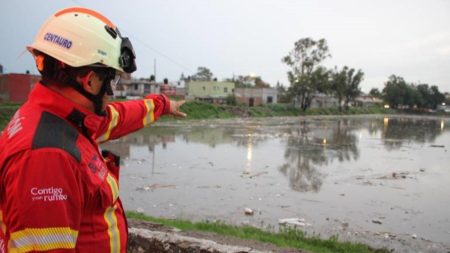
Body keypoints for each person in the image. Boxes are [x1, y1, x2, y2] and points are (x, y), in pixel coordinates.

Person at [0, 7, 186, 253]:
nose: (113, 89)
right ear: (89, 80)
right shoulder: (48, 155)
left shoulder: (66, 119)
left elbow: (118, 117)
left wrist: (162, 105)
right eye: (112, 79)